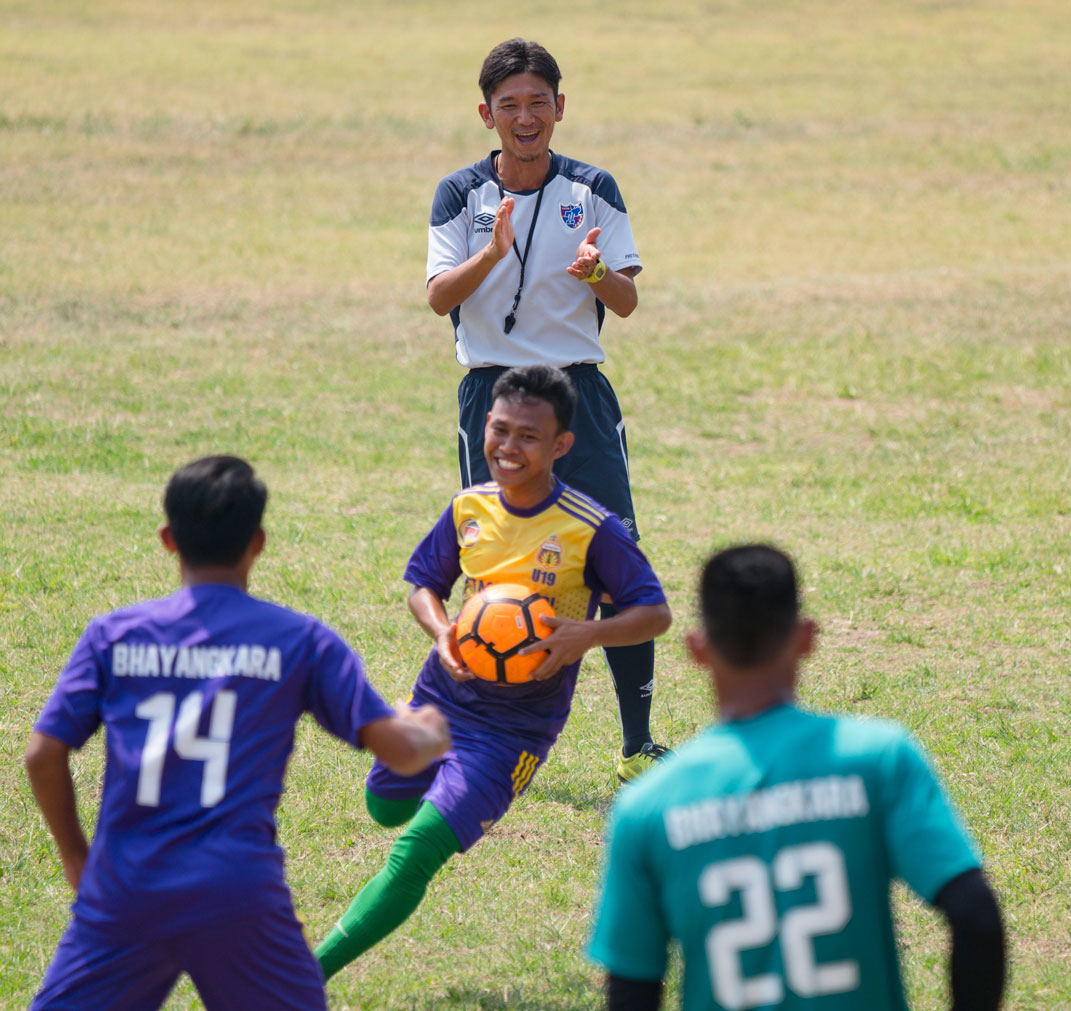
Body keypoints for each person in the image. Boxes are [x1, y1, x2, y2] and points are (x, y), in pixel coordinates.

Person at [25, 456, 451, 1011]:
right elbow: (399, 754)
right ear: (258, 541)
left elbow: (41, 754)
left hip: (126, 887)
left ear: (168, 539)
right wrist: (431, 732)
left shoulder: (114, 635)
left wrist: (78, 859)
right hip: (237, 891)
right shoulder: (300, 640)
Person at [315, 365, 672, 980]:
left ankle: (298, 979)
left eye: (528, 436)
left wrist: (591, 633)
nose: (509, 447)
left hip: (514, 729)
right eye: (500, 430)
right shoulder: (468, 508)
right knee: (383, 807)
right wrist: (443, 630)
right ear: (485, 425)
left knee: (414, 852)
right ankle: (437, 779)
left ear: (563, 444)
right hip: (440, 695)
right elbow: (424, 584)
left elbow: (656, 613)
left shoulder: (592, 529)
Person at [589, 544, 1005, 1011]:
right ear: (806, 637)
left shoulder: (648, 806)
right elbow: (976, 917)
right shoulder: (878, 759)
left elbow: (631, 990)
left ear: (696, 650)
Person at [426, 38, 664, 782]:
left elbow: (624, 303)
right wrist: (491, 253)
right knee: (496, 571)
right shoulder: (459, 194)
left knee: (618, 556)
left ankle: (637, 741)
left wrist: (597, 271)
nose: (524, 118)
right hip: (494, 394)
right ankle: (495, 742)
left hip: (579, 395)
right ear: (485, 114)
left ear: (560, 107)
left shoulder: (593, 187)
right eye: (508, 106)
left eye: (537, 102)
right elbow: (438, 297)